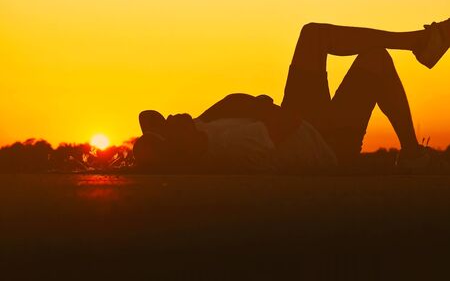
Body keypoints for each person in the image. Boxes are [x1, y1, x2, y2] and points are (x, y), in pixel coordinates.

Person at [133, 19, 450, 173]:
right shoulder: (229, 148)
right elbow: (285, 122)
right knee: (376, 60)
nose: (172, 117)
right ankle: (412, 152)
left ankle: (421, 42)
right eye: (170, 128)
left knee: (313, 34)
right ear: (181, 146)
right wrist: (251, 105)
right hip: (324, 142)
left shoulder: (199, 130)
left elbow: (148, 117)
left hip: (303, 120)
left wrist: (242, 106)